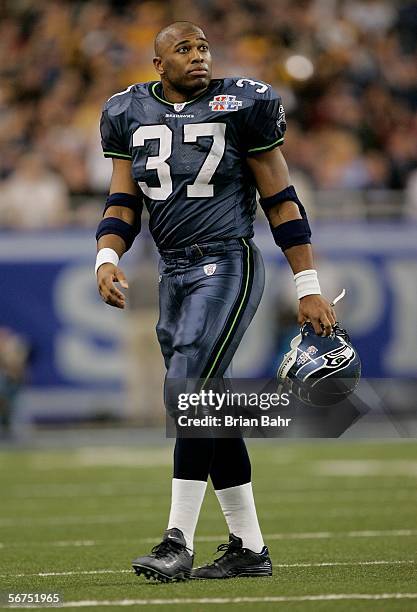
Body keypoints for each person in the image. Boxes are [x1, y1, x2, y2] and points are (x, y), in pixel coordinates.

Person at [95, 21, 335, 582]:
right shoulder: (127, 110)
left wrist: (307, 285)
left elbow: (280, 199)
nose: (200, 56)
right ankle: (249, 548)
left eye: (204, 47)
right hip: (172, 271)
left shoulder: (242, 103)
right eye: (185, 49)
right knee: (209, 403)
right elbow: (123, 199)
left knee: (188, 390)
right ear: (159, 63)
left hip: (228, 260)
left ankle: (176, 539)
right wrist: (106, 257)